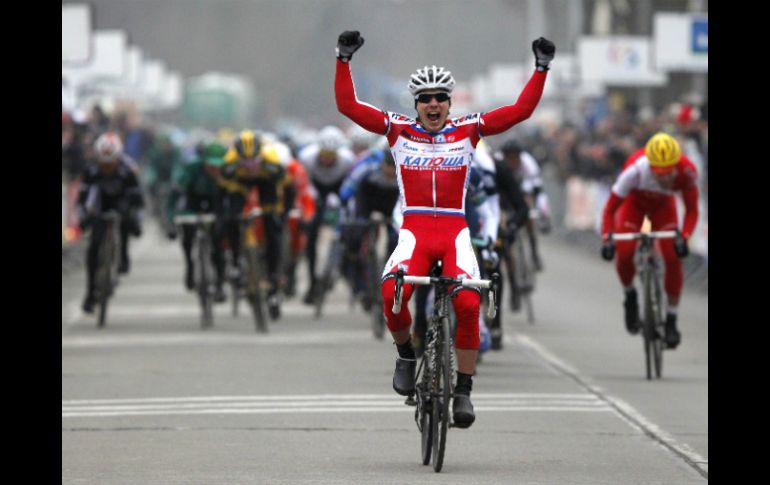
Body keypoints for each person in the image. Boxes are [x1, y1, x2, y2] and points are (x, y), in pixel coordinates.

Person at [335, 30, 553, 427]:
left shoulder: (469, 130)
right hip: (415, 231)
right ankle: (406, 355)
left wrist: (541, 68)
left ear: (449, 103)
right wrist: (343, 59)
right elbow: (348, 105)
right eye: (425, 98)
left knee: (468, 305)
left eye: (440, 97)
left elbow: (521, 110)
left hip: (454, 232)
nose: (433, 104)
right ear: (415, 104)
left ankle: (464, 391)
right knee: (391, 294)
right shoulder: (398, 130)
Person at [600, 132, 699, 349]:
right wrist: (607, 238)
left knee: (672, 257)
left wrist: (684, 237)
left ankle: (671, 319)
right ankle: (630, 296)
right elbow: (609, 210)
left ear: (677, 165)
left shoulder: (687, 171)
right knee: (625, 252)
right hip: (634, 205)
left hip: (664, 207)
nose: (664, 178)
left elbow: (692, 210)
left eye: (668, 173)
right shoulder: (634, 171)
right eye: (659, 173)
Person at [219, 130, 295, 317]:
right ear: (238, 159)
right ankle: (235, 263)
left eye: (254, 162)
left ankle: (274, 276)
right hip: (239, 183)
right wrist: (224, 217)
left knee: (273, 226)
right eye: (245, 163)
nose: (250, 167)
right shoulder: (229, 163)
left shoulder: (272, 162)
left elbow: (288, 188)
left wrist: (283, 215)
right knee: (232, 218)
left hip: (266, 182)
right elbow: (221, 190)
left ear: (261, 157)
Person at [78, 132, 144, 313]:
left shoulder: (128, 170)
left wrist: (136, 221)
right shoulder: (90, 171)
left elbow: (138, 201)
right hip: (100, 204)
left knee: (126, 221)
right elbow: (82, 199)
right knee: (93, 247)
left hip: (121, 202)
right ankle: (90, 293)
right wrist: (83, 219)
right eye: (103, 163)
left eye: (111, 163)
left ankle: (123, 255)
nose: (106, 167)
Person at [297, 125, 355, 304]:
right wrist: (311, 207)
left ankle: (342, 267)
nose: (327, 159)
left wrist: (343, 204)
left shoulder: (348, 160)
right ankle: (313, 283)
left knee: (349, 228)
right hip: (316, 189)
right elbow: (304, 186)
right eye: (324, 154)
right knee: (311, 232)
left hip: (339, 188)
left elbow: (351, 186)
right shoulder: (306, 158)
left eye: (332, 155)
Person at [167, 141, 228, 302]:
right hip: (193, 203)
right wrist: (171, 220)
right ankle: (190, 266)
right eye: (211, 165)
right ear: (204, 161)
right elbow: (175, 195)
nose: (215, 169)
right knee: (187, 234)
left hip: (216, 204)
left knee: (218, 243)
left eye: (218, 166)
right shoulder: (191, 169)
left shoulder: (229, 172)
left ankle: (220, 284)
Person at [497, 139, 551, 271]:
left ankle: (534, 252)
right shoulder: (498, 160)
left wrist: (544, 215)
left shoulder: (528, 163)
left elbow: (538, 191)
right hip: (507, 191)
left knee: (527, 207)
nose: (512, 160)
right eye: (508, 157)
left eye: (515, 157)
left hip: (523, 189)